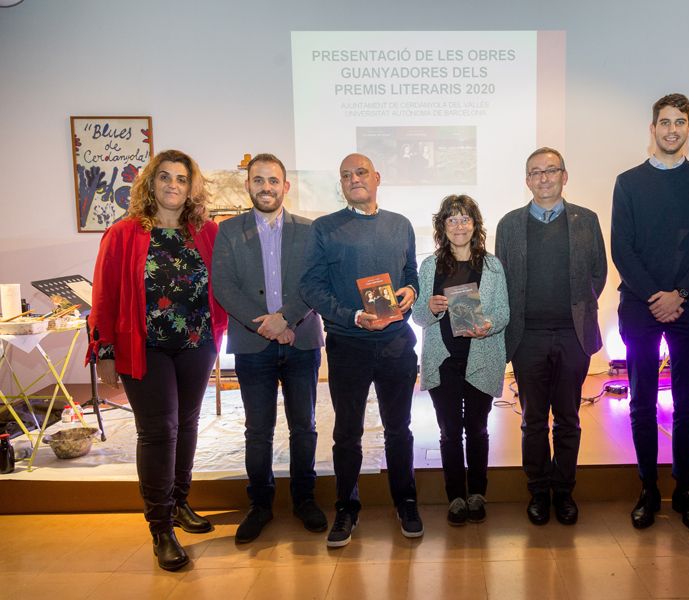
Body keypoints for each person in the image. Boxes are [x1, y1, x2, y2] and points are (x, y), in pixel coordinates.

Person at [88, 149, 227, 571]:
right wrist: (105, 352)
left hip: (196, 343)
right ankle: (160, 527)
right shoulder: (124, 233)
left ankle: (180, 502)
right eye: (164, 177)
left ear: (191, 187)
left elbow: (223, 282)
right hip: (143, 346)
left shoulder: (206, 232)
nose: (173, 185)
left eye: (182, 179)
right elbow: (105, 296)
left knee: (186, 424)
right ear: (150, 184)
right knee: (158, 431)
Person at [612, 93, 689, 534]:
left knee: (688, 404)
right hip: (640, 307)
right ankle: (648, 490)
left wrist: (678, 293)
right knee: (640, 403)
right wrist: (656, 295)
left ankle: (684, 490)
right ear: (652, 128)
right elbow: (622, 247)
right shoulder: (628, 182)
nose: (671, 129)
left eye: (680, 122)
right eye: (664, 122)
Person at [300, 153, 421, 547]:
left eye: (361, 172)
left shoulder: (400, 225)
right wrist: (353, 316)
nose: (354, 179)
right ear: (342, 183)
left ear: (377, 178)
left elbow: (410, 273)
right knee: (347, 433)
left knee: (399, 430)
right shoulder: (324, 228)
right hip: (348, 345)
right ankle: (346, 508)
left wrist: (411, 291)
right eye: (346, 175)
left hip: (396, 344)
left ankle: (405, 501)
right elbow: (312, 288)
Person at [211, 153, 326, 543]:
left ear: (285, 186)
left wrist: (287, 320)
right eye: (258, 180)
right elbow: (224, 287)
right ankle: (260, 506)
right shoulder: (228, 231)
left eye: (273, 180)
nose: (266, 187)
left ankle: (304, 500)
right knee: (258, 431)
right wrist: (270, 326)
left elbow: (314, 283)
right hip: (252, 343)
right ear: (248, 185)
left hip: (302, 342)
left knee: (304, 428)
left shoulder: (310, 231)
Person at [495, 147, 607, 526]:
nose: (544, 178)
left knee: (569, 418)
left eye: (551, 170)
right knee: (532, 421)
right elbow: (502, 281)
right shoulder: (509, 226)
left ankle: (565, 490)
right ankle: (538, 491)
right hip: (527, 337)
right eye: (536, 172)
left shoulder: (586, 220)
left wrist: (577, 310)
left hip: (573, 336)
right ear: (527, 180)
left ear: (564, 175)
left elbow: (598, 274)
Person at [412, 195, 509, 525]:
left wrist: (487, 326)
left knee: (478, 430)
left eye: (465, 218)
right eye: (451, 219)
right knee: (450, 432)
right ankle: (455, 496)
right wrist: (432, 308)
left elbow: (503, 313)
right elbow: (419, 316)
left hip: (481, 359)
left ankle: (477, 493)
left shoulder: (493, 266)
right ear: (442, 226)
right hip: (444, 361)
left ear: (475, 224)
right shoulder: (430, 266)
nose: (459, 225)